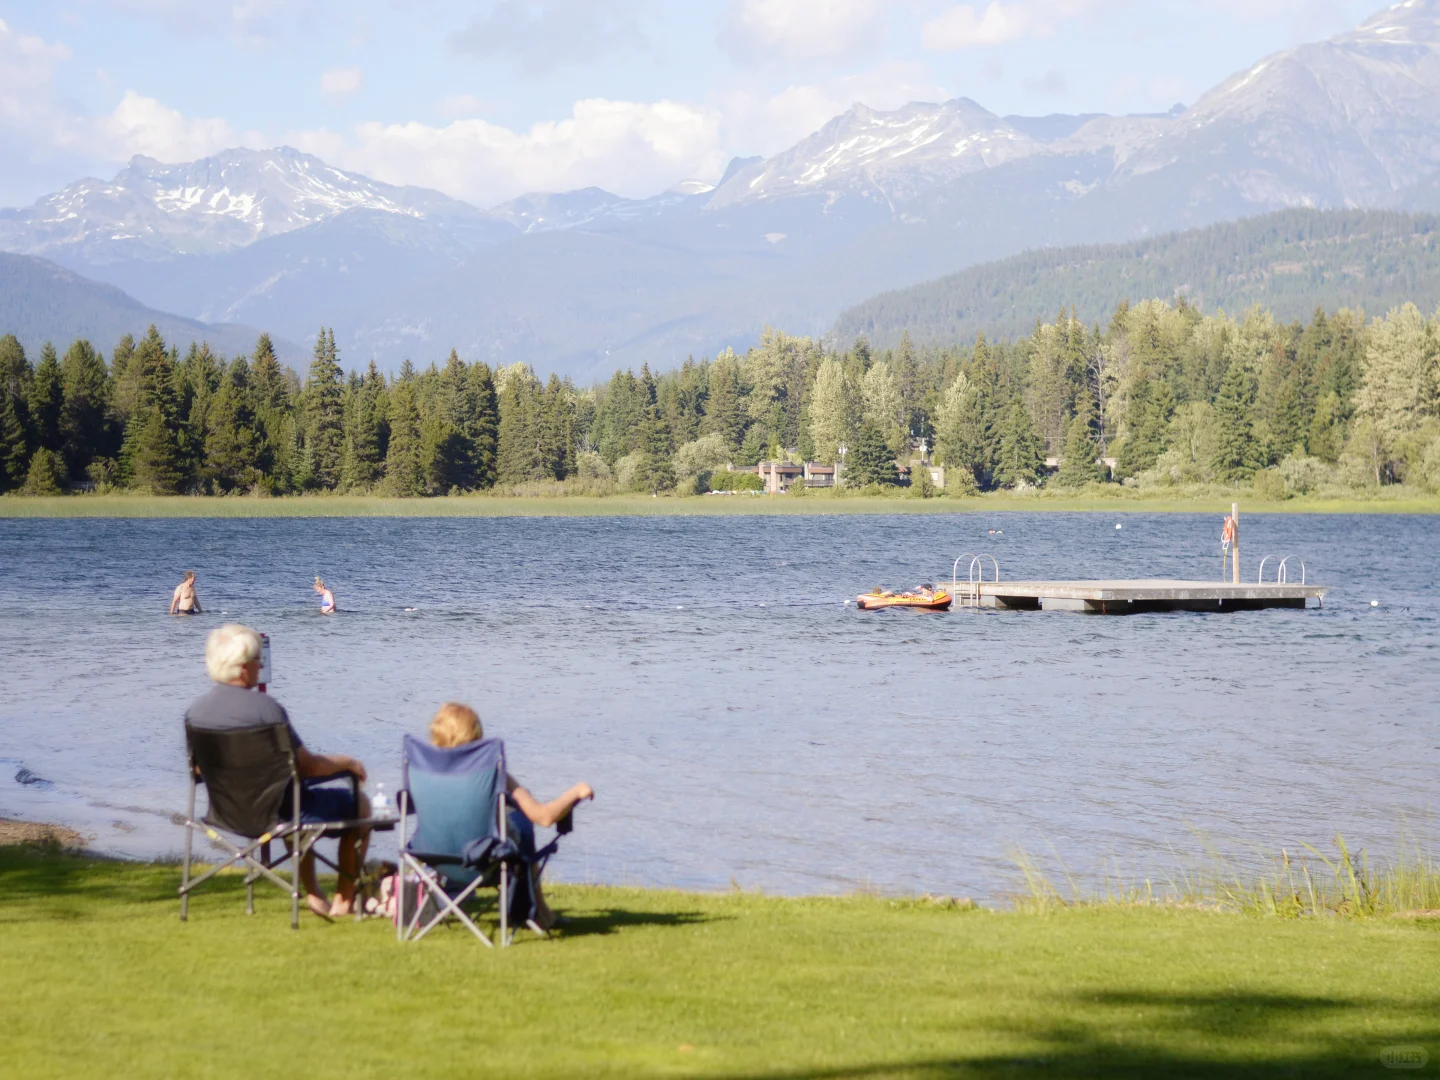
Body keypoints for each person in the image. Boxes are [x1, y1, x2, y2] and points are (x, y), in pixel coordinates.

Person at [185, 624, 371, 917]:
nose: (261, 665)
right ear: (242, 666)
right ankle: (344, 901)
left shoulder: (196, 712)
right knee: (359, 804)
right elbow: (307, 766)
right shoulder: (267, 710)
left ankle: (313, 893)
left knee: (291, 796)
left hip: (225, 812)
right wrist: (347, 763)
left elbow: (197, 770)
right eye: (257, 659)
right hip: (278, 813)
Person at [427, 702, 593, 931]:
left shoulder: (427, 775)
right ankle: (539, 914)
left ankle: (459, 892)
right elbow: (544, 817)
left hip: (438, 859)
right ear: (476, 738)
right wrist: (576, 792)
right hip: (485, 864)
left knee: (509, 821)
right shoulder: (493, 776)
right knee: (520, 821)